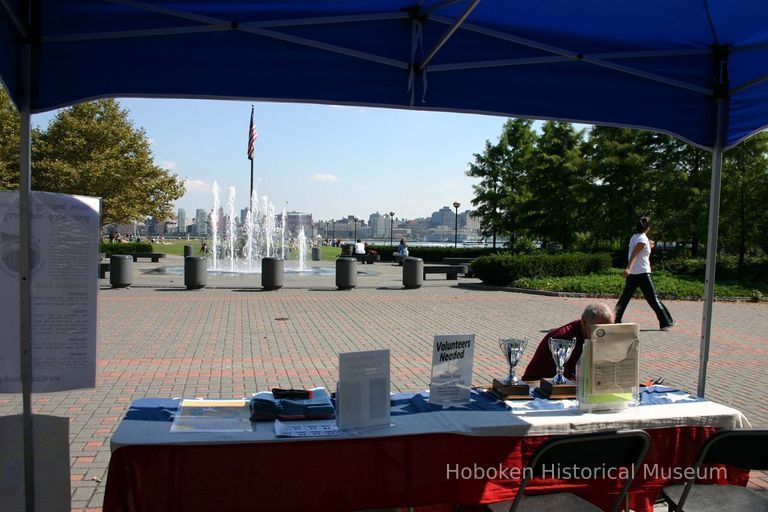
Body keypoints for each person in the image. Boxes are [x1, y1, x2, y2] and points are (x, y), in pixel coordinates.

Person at [521, 303, 615, 382]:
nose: (604, 334)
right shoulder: (563, 338)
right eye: (599, 330)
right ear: (584, 321)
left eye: (608, 329)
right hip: (537, 388)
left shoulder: (591, 334)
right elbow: (571, 379)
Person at [615, 216, 674, 330]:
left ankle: (615, 319)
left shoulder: (635, 237)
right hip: (643, 273)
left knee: (625, 298)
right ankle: (666, 322)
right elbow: (635, 254)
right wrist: (628, 268)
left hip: (634, 274)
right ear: (647, 227)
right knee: (654, 299)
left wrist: (650, 243)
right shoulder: (642, 240)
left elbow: (639, 247)